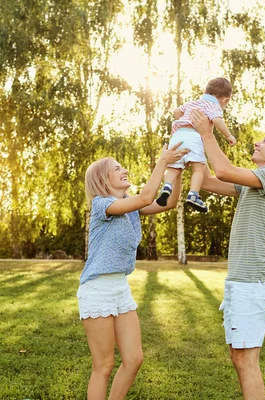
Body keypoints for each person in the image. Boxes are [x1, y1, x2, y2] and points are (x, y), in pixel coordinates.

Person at [191, 108, 265, 400]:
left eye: (264, 140)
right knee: (239, 358)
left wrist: (207, 132)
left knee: (245, 360)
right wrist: (190, 155)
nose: (257, 143)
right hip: (243, 282)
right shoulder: (255, 183)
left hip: (251, 282)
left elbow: (224, 170)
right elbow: (213, 181)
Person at [78, 142, 188, 400]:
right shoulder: (102, 205)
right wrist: (161, 162)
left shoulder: (130, 205)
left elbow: (168, 202)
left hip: (120, 289)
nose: (124, 170)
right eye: (117, 169)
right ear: (103, 180)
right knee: (103, 366)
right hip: (97, 290)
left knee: (134, 359)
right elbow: (146, 197)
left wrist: (177, 168)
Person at [155, 77, 236, 213]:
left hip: (178, 135)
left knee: (174, 167)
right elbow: (217, 120)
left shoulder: (193, 103)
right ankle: (193, 194)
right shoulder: (213, 105)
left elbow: (176, 112)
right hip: (194, 135)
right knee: (198, 168)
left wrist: (182, 120)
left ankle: (167, 187)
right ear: (225, 100)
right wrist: (228, 135)